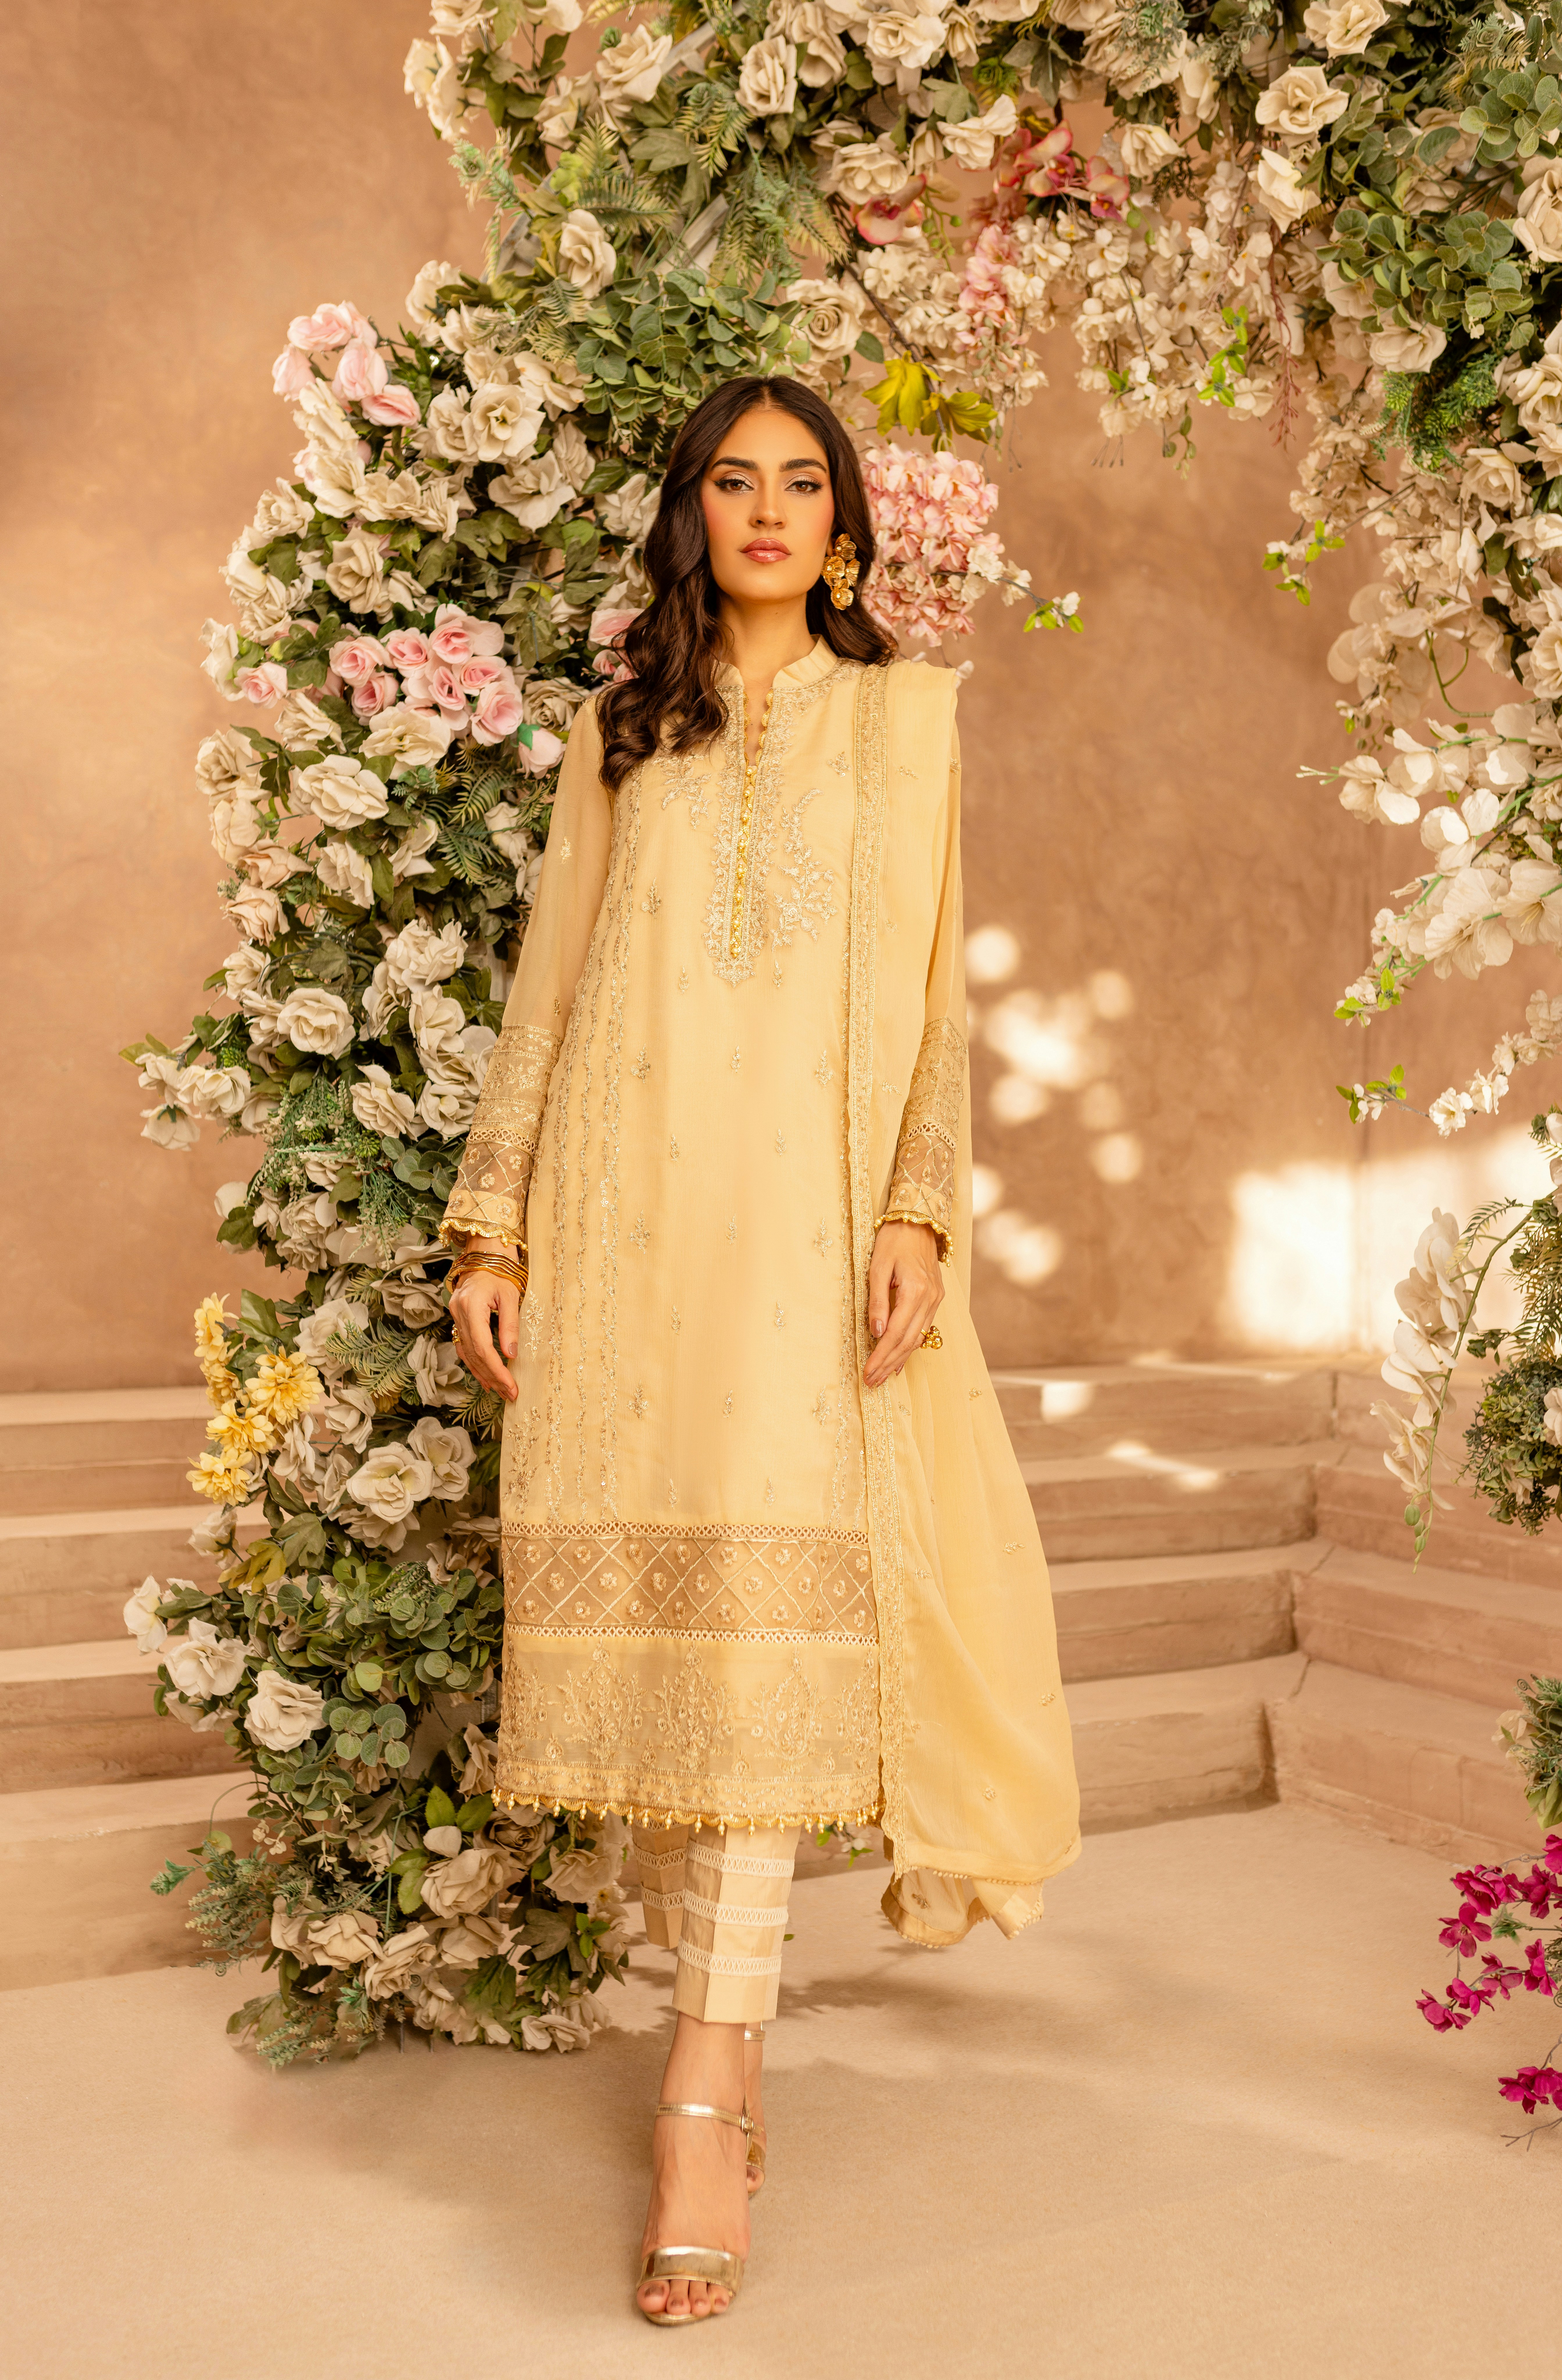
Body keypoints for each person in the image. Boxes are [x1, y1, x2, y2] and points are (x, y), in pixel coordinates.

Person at [442, 376, 1080, 2324]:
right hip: (634, 1242)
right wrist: (493, 1219)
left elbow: (931, 1003)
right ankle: (712, 2035)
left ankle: (706, 2094)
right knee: (669, 1675)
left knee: (764, 1673)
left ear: (850, 524)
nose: (771, 511)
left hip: (806, 1246)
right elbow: (553, 981)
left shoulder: (904, 728)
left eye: (805, 483)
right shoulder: (618, 733)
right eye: (737, 481)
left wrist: (917, 1209)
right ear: (690, 514)